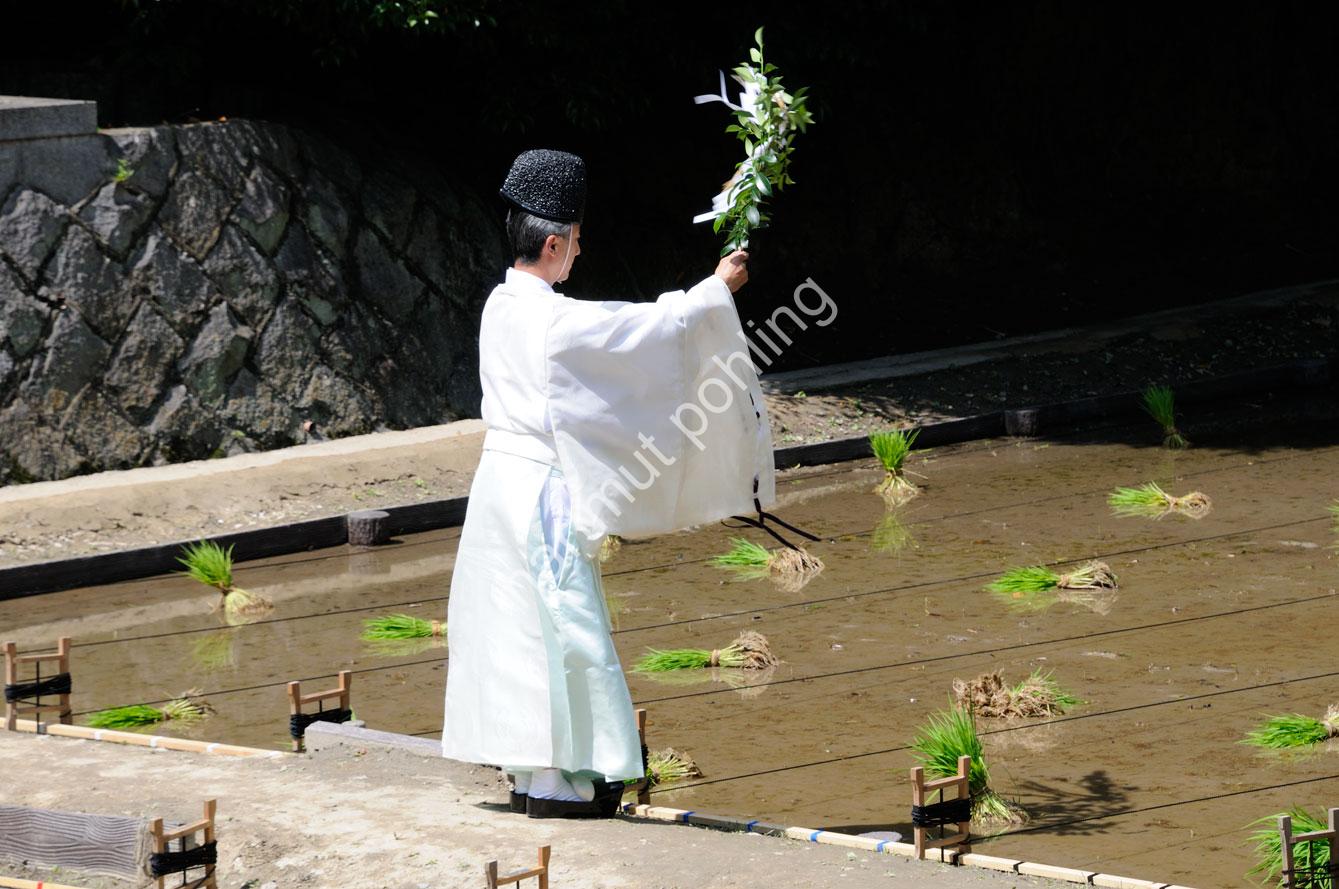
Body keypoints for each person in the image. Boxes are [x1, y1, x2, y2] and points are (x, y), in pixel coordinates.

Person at [441, 148, 775, 818]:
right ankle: (570, 779)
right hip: (539, 492)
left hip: (496, 488)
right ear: (555, 243)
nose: (580, 255)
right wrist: (715, 290)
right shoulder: (554, 321)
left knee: (512, 632)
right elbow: (643, 328)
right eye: (578, 244)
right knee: (567, 627)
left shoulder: (499, 304)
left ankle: (534, 774)